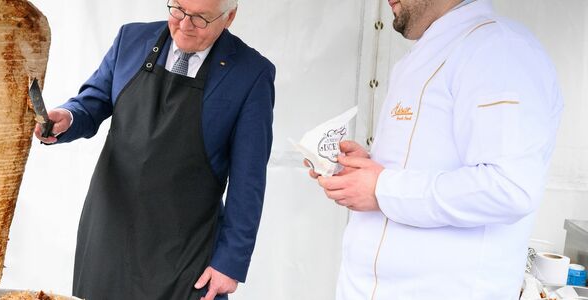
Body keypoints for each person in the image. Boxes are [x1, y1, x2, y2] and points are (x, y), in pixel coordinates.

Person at [307, 0, 563, 299]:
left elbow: (510, 187)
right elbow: (421, 166)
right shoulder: (431, 51)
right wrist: (364, 171)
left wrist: (382, 188)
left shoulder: (498, 49)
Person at [35, 0, 275, 299]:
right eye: (178, 9)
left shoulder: (251, 73)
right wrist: (67, 118)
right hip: (110, 232)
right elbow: (93, 101)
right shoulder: (131, 39)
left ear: (229, 18)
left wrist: (230, 263)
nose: (185, 25)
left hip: (187, 246)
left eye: (200, 18)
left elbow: (248, 178)